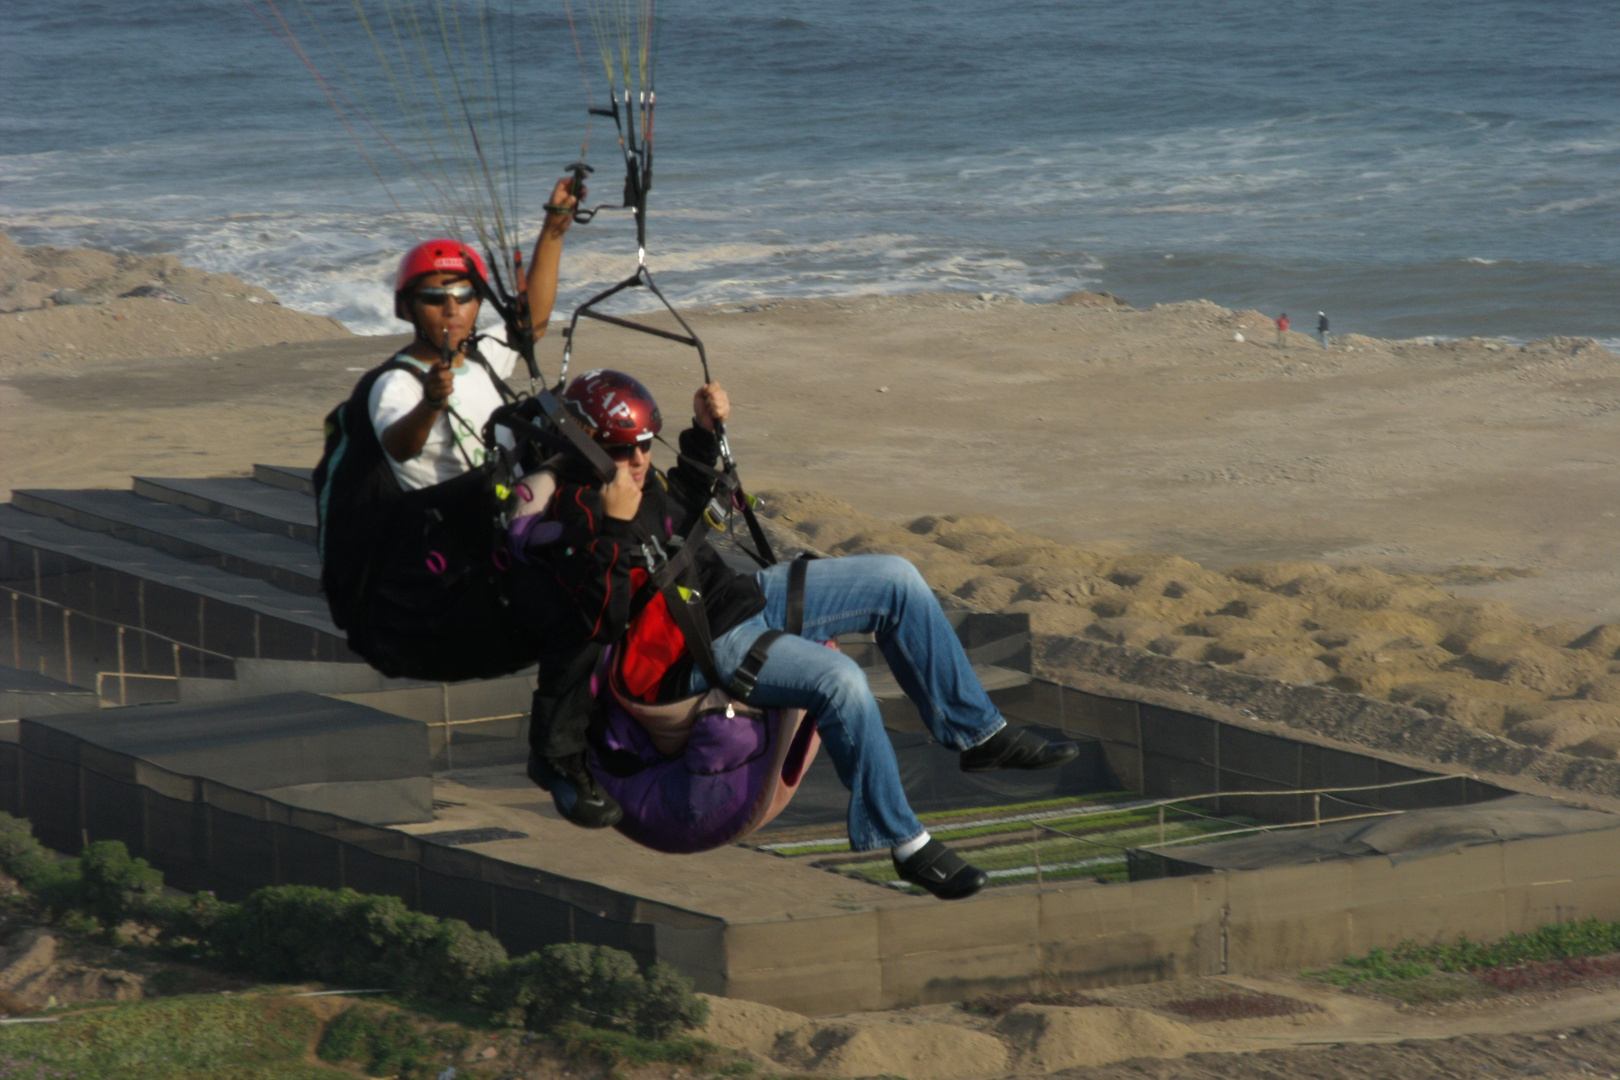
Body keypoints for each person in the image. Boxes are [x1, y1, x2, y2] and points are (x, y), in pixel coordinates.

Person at [518, 370, 1081, 900]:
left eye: (646, 444)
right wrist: (614, 528)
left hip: (741, 597)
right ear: (588, 448)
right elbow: (596, 620)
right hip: (696, 650)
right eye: (624, 448)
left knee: (896, 579)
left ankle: (977, 735)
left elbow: (685, 506)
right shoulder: (571, 526)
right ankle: (907, 843)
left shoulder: (636, 483)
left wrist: (704, 433)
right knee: (842, 682)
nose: (639, 459)